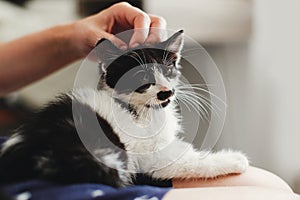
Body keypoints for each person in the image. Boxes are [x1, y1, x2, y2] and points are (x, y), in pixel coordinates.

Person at [0, 2, 297, 199]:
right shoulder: (118, 116)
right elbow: (158, 161)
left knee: (273, 187)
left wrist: (74, 35)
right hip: (63, 171)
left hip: (38, 158)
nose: (165, 88)